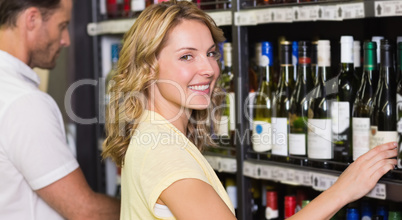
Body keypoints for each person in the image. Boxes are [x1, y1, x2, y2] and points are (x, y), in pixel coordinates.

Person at [102, 1, 397, 219]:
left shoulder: (154, 133)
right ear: (148, 67)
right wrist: (342, 190)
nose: (208, 69)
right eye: (187, 56)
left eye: (211, 53)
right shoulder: (164, 153)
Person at [0, 0, 120, 219]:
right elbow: (85, 211)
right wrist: (154, 209)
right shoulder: (24, 102)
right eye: (62, 25)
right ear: (32, 19)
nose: (66, 40)